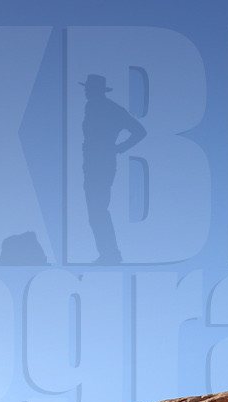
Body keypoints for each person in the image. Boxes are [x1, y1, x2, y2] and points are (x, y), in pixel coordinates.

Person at [80, 74, 146, 265]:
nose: (86, 92)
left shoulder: (111, 109)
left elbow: (140, 131)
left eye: (89, 88)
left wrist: (119, 148)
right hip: (92, 163)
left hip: (101, 164)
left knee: (98, 210)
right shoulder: (90, 106)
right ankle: (108, 254)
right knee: (95, 210)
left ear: (97, 90)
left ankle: (111, 255)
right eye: (86, 88)